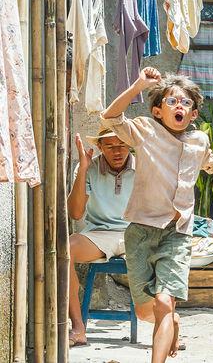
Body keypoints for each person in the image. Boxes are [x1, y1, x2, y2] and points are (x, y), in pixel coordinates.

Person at [100, 67, 213, 363]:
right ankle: (172, 322)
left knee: (165, 301)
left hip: (177, 233)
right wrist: (139, 84)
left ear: (193, 115)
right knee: (144, 311)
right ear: (157, 110)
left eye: (186, 103)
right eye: (172, 101)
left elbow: (212, 163)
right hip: (141, 232)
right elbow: (110, 117)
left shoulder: (199, 141)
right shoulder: (144, 131)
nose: (180, 106)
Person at [67, 128, 135, 347]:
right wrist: (83, 170)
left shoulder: (145, 167)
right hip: (100, 234)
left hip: (136, 233)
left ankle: (169, 327)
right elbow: (75, 213)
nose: (117, 151)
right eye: (110, 146)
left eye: (122, 144)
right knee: (63, 250)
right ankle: (78, 328)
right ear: (100, 147)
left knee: (167, 251)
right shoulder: (89, 167)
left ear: (131, 145)